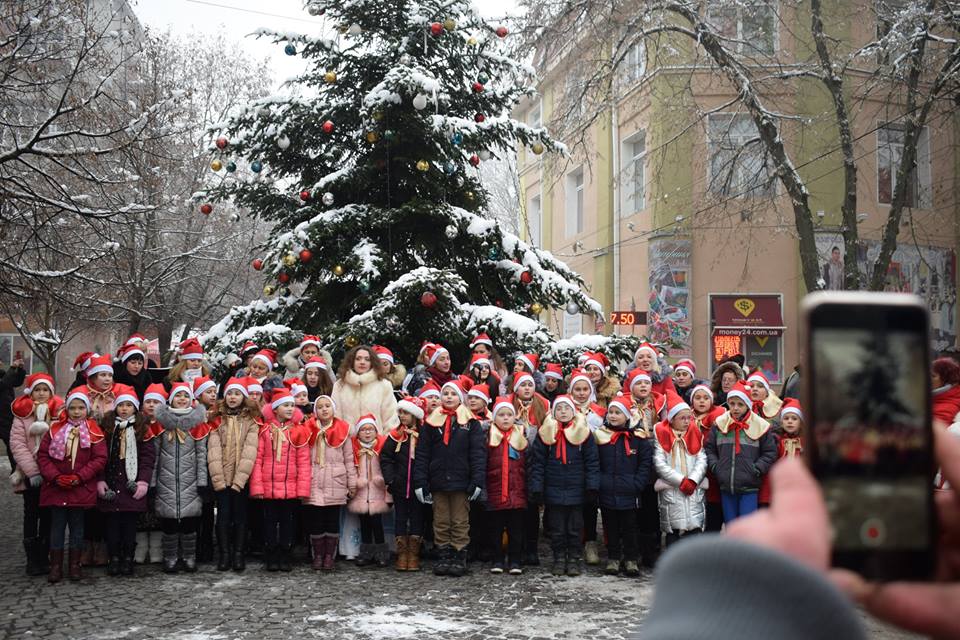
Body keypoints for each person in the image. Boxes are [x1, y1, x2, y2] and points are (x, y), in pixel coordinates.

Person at [413, 377, 485, 577]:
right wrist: (421, 482)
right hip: (438, 481)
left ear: (460, 397)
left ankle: (459, 554)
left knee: (460, 521)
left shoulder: (470, 424)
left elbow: (478, 454)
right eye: (445, 393)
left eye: (453, 393)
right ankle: (444, 553)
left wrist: (477, 480)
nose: (449, 397)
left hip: (461, 482)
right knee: (441, 520)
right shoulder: (430, 423)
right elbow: (422, 454)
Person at [37, 388, 107, 582]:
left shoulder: (94, 431)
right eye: (73, 408)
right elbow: (43, 456)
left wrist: (80, 477)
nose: (76, 412)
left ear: (87, 409)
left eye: (80, 408)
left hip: (80, 489)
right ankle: (56, 566)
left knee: (78, 528)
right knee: (57, 528)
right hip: (56, 488)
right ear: (67, 409)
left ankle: (74, 565)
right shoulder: (54, 430)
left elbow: (100, 458)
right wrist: (55, 477)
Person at [527, 394, 599, 577]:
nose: (563, 412)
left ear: (573, 411)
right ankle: (559, 558)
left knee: (575, 528)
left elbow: (592, 461)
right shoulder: (546, 432)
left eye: (567, 408)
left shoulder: (584, 432)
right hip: (554, 489)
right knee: (557, 529)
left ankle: (574, 558)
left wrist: (592, 486)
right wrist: (537, 487)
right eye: (559, 408)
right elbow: (538, 463)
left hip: (577, 489)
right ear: (553, 411)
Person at [97, 384, 156, 576]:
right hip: (112, 482)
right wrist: (100, 479)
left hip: (131, 484)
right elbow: (99, 456)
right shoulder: (106, 429)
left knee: (130, 525)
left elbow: (148, 459)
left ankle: (128, 558)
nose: (124, 409)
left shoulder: (142, 430)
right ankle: (114, 557)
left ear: (135, 408)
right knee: (112, 525)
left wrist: (143, 481)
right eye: (121, 405)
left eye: (129, 406)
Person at [249, 388, 311, 572]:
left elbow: (304, 461)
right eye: (286, 405)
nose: (291, 408)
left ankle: (286, 553)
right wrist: (257, 486)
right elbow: (257, 459)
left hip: (289, 487)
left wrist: (302, 488)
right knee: (269, 522)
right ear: (275, 409)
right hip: (268, 487)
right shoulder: (265, 430)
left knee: (287, 522)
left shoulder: (299, 431)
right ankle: (270, 554)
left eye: (292, 405)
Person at [153, 381, 210, 573]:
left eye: (186, 396)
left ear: (191, 400)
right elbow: (154, 456)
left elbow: (202, 455)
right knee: (168, 523)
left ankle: (189, 556)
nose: (182, 399)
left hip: (190, 482)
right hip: (166, 481)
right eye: (178, 395)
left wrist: (202, 482)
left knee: (189, 523)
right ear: (171, 399)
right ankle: (170, 557)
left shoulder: (197, 425)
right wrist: (153, 482)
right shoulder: (161, 424)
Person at [206, 377, 261, 572]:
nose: (232, 397)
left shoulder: (251, 421)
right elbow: (213, 451)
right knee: (222, 516)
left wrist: (239, 480)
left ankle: (238, 554)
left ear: (243, 397)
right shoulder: (216, 419)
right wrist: (219, 479)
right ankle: (224, 554)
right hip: (221, 477)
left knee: (240, 517)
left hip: (241, 478)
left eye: (237, 393)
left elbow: (250, 450)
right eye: (229, 393)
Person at [594, 393, 652, 576]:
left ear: (627, 415)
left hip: (630, 491)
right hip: (608, 489)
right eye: (610, 412)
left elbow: (645, 463)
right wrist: (601, 483)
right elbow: (595, 462)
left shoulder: (638, 438)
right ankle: (613, 557)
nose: (612, 416)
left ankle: (631, 559)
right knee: (610, 526)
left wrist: (638, 483)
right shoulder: (601, 437)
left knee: (630, 527)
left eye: (617, 412)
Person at [9, 373, 61, 576]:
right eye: (38, 390)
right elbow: (18, 445)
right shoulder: (22, 416)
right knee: (30, 515)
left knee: (48, 515)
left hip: (51, 473)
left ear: (51, 392)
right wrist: (32, 471)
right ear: (31, 393)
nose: (41, 393)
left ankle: (45, 555)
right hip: (30, 473)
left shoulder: (57, 413)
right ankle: (32, 559)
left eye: (45, 390)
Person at [705, 380, 777, 523]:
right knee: (731, 526)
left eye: (740, 404)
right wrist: (715, 467)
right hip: (726, 486)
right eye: (732, 404)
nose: (735, 408)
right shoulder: (719, 424)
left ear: (747, 405)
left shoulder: (760, 426)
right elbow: (710, 449)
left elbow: (770, 452)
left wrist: (756, 469)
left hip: (749, 487)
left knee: (747, 527)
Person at [302, 394, 354, 571]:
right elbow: (302, 459)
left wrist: (351, 483)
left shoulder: (343, 430)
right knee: (315, 521)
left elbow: (349, 459)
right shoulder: (307, 429)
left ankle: (329, 556)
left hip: (335, 481)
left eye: (327, 406)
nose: (324, 409)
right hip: (314, 481)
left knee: (332, 521)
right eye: (320, 406)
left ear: (333, 409)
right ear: (315, 411)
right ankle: (317, 555)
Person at [653, 392, 707, 548]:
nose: (686, 421)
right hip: (673, 489)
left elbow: (701, 459)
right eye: (682, 418)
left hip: (693, 489)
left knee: (695, 526)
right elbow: (659, 462)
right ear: (672, 419)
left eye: (688, 418)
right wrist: (680, 480)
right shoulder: (662, 435)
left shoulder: (695, 433)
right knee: (673, 529)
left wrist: (692, 480)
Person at [381, 396, 426, 571]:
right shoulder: (395, 436)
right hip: (399, 485)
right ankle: (402, 554)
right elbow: (385, 458)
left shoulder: (423, 436)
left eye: (406, 412)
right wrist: (390, 479)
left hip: (418, 486)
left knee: (417, 519)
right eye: (400, 412)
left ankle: (414, 554)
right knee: (400, 518)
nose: (402, 416)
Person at [485, 397, 529, 575]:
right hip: (495, 491)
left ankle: (515, 559)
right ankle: (497, 558)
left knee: (516, 529)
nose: (505, 418)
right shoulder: (488, 437)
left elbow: (528, 463)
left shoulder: (521, 436)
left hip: (517, 492)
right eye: (501, 415)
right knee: (495, 529)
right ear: (494, 418)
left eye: (509, 415)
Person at [349, 414, 391, 567]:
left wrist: (381, 480)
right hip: (361, 494)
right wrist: (355, 483)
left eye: (370, 429)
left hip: (377, 493)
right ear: (358, 433)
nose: (367, 433)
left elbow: (386, 467)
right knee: (364, 524)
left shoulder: (381, 447)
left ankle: (382, 552)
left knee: (377, 523)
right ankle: (366, 551)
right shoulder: (355, 449)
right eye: (364, 430)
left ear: (376, 431)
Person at [331, 344, 399, 433]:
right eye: (358, 359)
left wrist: (385, 443)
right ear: (352, 361)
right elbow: (335, 417)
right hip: (347, 442)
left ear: (372, 362)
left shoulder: (384, 385)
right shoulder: (339, 385)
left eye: (367, 359)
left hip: (376, 443)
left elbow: (391, 419)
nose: (362, 362)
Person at [136, 384, 167, 564]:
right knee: (141, 514)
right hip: (141, 475)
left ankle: (156, 548)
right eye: (148, 401)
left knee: (157, 515)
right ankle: (140, 547)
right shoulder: (138, 425)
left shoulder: (166, 426)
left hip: (161, 476)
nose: (151, 405)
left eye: (156, 402)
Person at [690, 384, 725, 532]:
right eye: (697, 398)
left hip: (712, 472)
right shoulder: (686, 418)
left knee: (713, 509)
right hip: (692, 471)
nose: (702, 401)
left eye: (706, 398)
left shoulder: (719, 420)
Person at [0, 355, 27, 470]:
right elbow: (3, 384)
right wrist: (12, 368)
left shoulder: (3, 374)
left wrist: (20, 370)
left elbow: (16, 382)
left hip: (6, 417)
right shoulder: (5, 376)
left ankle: (16, 470)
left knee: (12, 445)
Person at [932, 357, 960, 425]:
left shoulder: (948, 405)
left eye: (932, 376)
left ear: (946, 380)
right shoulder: (937, 396)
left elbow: (930, 432)